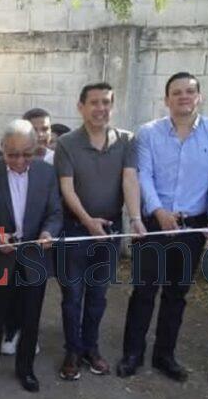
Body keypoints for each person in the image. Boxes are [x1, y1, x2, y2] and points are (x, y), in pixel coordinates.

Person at [120, 72, 208, 382]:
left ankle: (164, 355)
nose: (183, 96)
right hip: (154, 224)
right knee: (144, 290)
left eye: (190, 91)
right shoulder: (148, 133)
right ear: (166, 99)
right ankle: (132, 353)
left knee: (177, 293)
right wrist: (158, 211)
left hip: (193, 226)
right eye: (177, 92)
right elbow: (143, 175)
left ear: (199, 97)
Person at [54, 82, 143, 380]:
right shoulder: (66, 143)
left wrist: (135, 219)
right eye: (94, 102)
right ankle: (72, 350)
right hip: (75, 230)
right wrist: (88, 221)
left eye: (106, 102)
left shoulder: (127, 141)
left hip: (110, 232)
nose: (100, 108)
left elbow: (130, 180)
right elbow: (67, 188)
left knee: (98, 296)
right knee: (72, 297)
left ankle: (91, 348)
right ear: (81, 107)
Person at [0, 119, 61, 393]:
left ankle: (26, 370)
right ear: (2, 148)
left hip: (34, 255)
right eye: (12, 154)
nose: (20, 160)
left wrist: (48, 232)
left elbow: (55, 212)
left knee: (30, 316)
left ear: (37, 148)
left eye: (27, 154)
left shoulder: (47, 173)